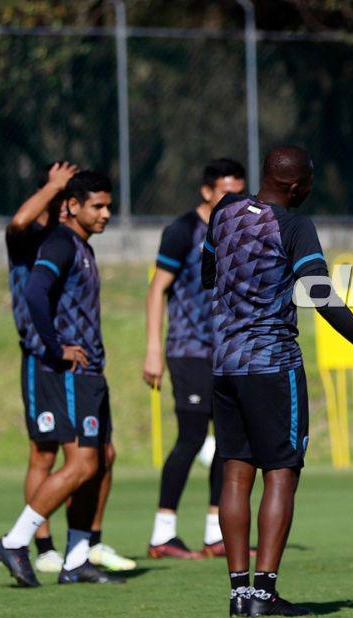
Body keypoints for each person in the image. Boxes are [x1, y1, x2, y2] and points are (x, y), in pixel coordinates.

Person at [202, 145, 353, 617]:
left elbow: (209, 273)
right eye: (307, 182)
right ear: (294, 185)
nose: (309, 189)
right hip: (272, 362)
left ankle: (239, 593)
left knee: (236, 471)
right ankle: (265, 593)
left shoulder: (223, 213)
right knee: (281, 471)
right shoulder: (294, 225)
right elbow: (320, 294)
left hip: (224, 363)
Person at [0, 170, 130, 586]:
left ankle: (76, 558)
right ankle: (17, 541)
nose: (107, 213)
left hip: (91, 371)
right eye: (99, 206)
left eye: (109, 205)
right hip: (68, 370)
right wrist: (56, 348)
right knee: (78, 461)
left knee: (103, 458)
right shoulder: (58, 242)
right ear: (73, 205)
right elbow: (35, 291)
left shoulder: (80, 245)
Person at [143, 158, 246, 558]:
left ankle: (214, 534)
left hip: (228, 352)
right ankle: (161, 533)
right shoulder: (182, 231)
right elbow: (157, 290)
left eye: (239, 192)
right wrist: (153, 348)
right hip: (188, 350)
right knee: (189, 438)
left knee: (227, 443)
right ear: (207, 192)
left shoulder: (239, 229)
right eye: (225, 192)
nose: (233, 200)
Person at [5, 161, 75, 573]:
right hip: (41, 357)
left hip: (75, 360)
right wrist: (53, 186)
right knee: (44, 455)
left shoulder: (70, 241)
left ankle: (84, 544)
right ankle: (42, 544)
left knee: (92, 453)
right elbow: (17, 220)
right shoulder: (28, 239)